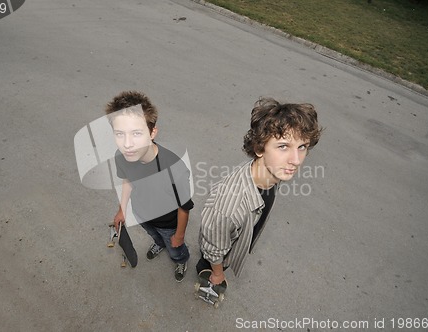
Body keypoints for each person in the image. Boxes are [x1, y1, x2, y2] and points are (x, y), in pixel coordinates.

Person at [196, 97, 323, 285]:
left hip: (235, 234)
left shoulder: (271, 174)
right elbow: (213, 248)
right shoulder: (226, 208)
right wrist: (217, 273)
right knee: (213, 261)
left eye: (302, 147)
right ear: (259, 148)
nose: (296, 160)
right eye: (283, 146)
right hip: (219, 251)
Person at [105, 91, 193, 282]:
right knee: (155, 236)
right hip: (142, 215)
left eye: (137, 133)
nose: (127, 144)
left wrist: (179, 235)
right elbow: (127, 181)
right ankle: (159, 243)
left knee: (175, 248)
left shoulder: (174, 168)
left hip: (169, 224)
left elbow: (184, 207)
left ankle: (181, 259)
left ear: (152, 132)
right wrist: (122, 210)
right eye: (120, 134)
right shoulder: (121, 157)